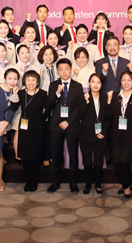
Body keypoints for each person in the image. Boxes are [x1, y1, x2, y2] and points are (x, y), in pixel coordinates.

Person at [47, 58, 86, 194]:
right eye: (61, 69)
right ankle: (55, 182)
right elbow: (50, 104)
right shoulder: (53, 85)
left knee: (73, 155)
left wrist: (68, 121)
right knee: (56, 155)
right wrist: (57, 93)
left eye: (67, 69)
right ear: (57, 71)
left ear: (71, 70)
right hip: (56, 125)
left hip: (72, 125)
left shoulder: (77, 86)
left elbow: (79, 107)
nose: (64, 72)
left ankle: (73, 183)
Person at [12, 70, 50, 192]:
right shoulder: (21, 93)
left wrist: (41, 119)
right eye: (28, 80)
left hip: (38, 128)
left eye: (33, 80)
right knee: (26, 157)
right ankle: (28, 181)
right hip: (24, 128)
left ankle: (34, 182)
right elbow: (13, 108)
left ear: (37, 82)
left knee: (35, 157)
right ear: (24, 82)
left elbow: (48, 109)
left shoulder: (43, 94)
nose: (31, 82)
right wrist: (14, 95)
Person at [108, 70, 132, 199]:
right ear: (120, 82)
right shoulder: (114, 96)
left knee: (124, 160)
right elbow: (108, 115)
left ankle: (126, 187)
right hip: (115, 135)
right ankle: (127, 183)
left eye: (129, 80)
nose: (126, 83)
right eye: (123, 80)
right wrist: (108, 101)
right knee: (116, 161)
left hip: (131, 136)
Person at [79, 74, 111, 194]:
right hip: (86, 135)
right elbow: (80, 114)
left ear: (101, 84)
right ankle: (87, 185)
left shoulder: (105, 97)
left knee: (98, 162)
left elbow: (109, 117)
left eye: (98, 82)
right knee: (87, 163)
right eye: (93, 82)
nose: (95, 85)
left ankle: (98, 184)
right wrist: (86, 101)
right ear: (89, 83)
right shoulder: (84, 97)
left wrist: (104, 132)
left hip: (100, 135)